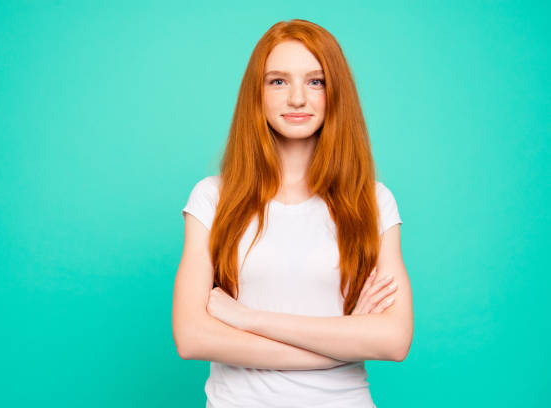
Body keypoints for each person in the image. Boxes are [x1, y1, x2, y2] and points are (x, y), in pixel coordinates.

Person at [172, 19, 413, 408]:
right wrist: (346, 339)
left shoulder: (372, 201)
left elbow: (395, 340)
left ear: (335, 92)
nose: (297, 98)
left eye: (315, 81)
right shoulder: (212, 198)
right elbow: (191, 337)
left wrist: (247, 318)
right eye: (278, 81)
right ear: (258, 94)